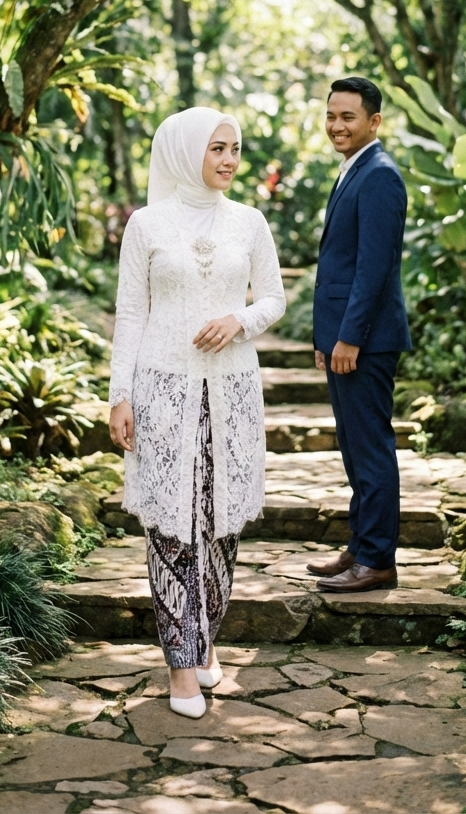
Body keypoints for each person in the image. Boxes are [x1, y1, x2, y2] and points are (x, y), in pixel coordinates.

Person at [108, 106, 285, 719]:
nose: (230, 160)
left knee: (220, 525)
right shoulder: (146, 225)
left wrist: (240, 320)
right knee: (170, 527)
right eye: (217, 148)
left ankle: (204, 635)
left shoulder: (249, 222)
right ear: (187, 152)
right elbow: (131, 313)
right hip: (162, 393)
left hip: (232, 395)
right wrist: (120, 395)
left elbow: (273, 298)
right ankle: (181, 666)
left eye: (234, 148)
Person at [308, 76, 412, 592]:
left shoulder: (380, 176)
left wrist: (349, 337)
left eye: (347, 117)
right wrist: (325, 338)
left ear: (374, 121)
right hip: (345, 338)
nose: (336, 126)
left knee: (370, 448)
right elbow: (339, 264)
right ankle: (361, 545)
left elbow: (374, 267)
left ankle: (377, 560)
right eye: (331, 116)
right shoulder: (354, 169)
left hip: (367, 341)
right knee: (354, 447)